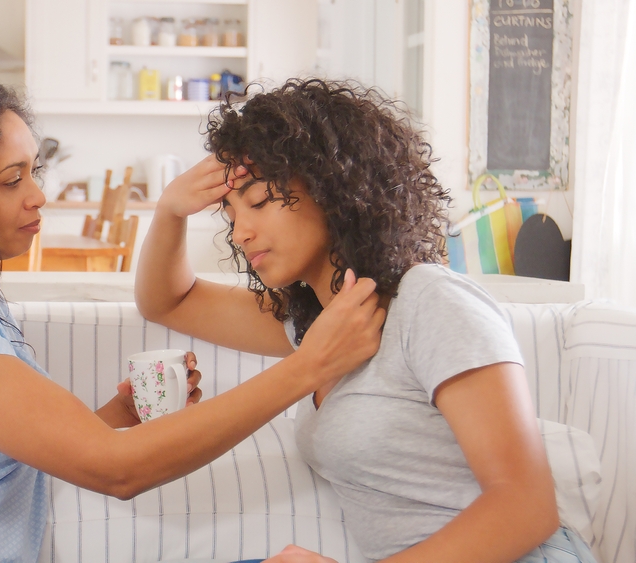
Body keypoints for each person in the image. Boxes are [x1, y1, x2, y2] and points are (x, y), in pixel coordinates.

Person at [0, 69, 385, 563]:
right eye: (13, 180)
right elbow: (113, 470)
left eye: (34, 171)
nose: (39, 195)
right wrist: (310, 365)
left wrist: (114, 419)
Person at [135, 78, 599, 563]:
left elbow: (526, 509)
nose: (242, 231)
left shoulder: (429, 301)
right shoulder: (319, 326)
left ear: (330, 186)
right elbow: (168, 302)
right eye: (229, 213)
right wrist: (171, 209)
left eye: (258, 201)